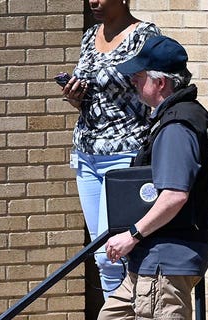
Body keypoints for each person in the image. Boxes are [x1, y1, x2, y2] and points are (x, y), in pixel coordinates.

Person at [99, 35, 208, 319]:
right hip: (151, 260)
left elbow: (174, 196)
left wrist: (131, 235)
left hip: (165, 264)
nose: (133, 81)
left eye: (138, 76)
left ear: (160, 82)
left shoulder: (176, 127)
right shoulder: (175, 118)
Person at [61, 0, 161, 296]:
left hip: (125, 156)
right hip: (86, 156)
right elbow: (97, 96)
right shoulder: (90, 35)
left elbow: (158, 91)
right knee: (101, 256)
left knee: (113, 253)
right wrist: (75, 97)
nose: (93, 0)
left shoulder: (145, 35)